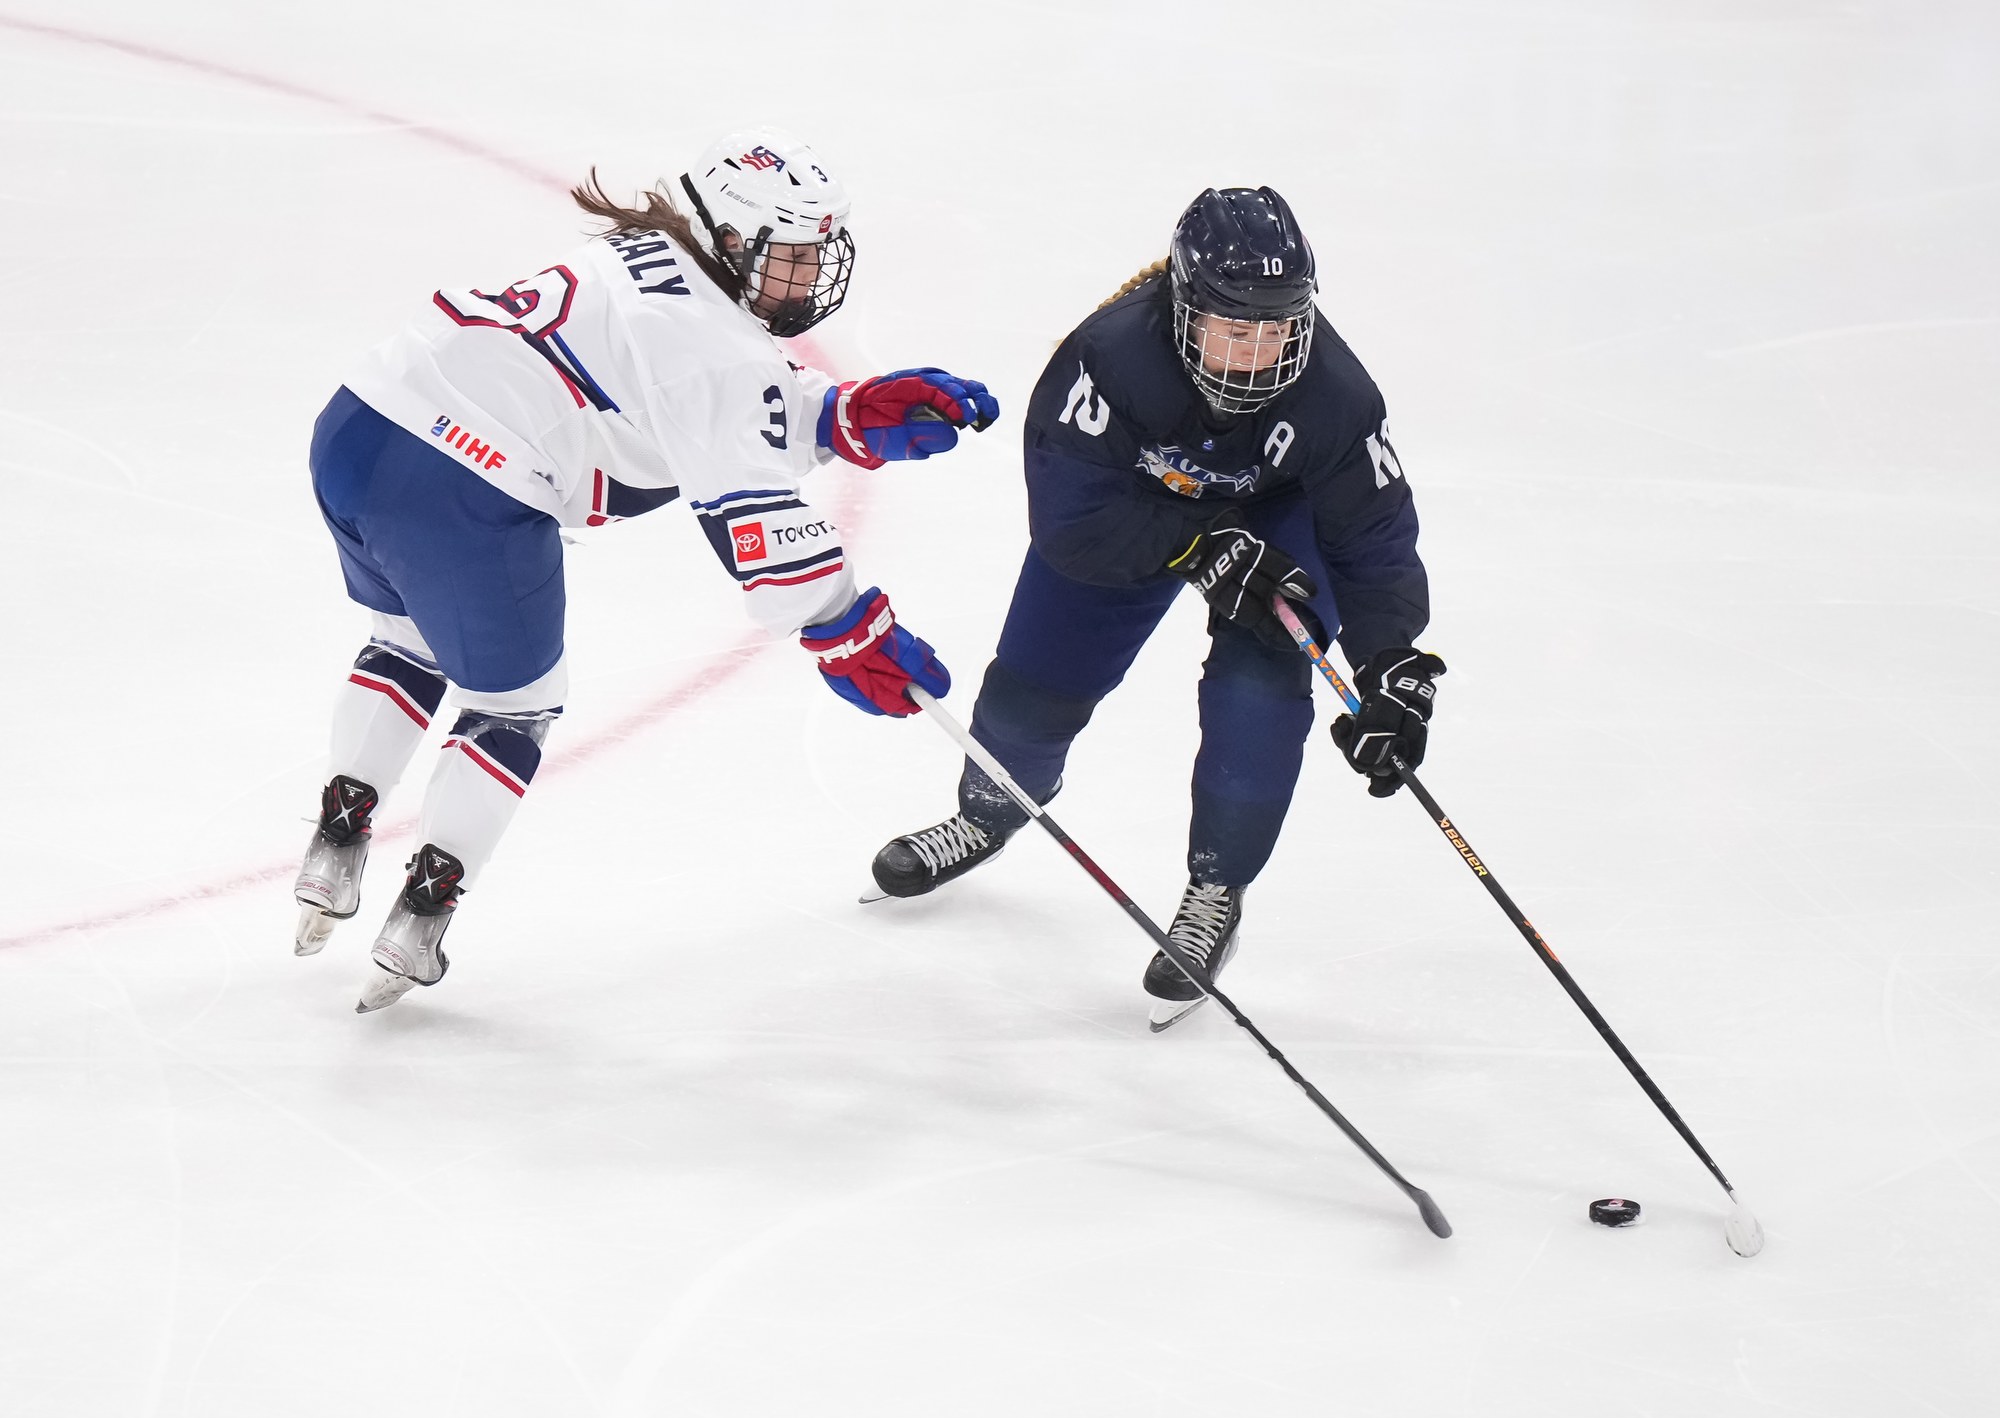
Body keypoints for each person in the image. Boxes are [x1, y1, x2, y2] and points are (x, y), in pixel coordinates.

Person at [294, 126, 998, 1013]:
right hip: (463, 490)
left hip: (360, 429)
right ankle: (419, 919)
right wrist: (854, 632)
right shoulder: (713, 347)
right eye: (793, 253)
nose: (812, 273)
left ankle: (335, 841)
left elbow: (701, 401)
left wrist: (842, 415)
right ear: (733, 240)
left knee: (405, 641)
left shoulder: (652, 256)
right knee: (515, 710)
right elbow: (760, 527)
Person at [869, 186, 1439, 1029]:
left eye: (1277, 331)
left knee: (1260, 691)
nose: (1255, 356)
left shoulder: (1337, 397)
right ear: (1184, 306)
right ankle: (988, 813)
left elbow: (1374, 536)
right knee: (1031, 695)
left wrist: (1391, 663)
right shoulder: (1107, 357)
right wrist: (1194, 546)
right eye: (1234, 330)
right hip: (1129, 516)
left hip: (1276, 524)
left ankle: (1217, 888)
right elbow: (1068, 518)